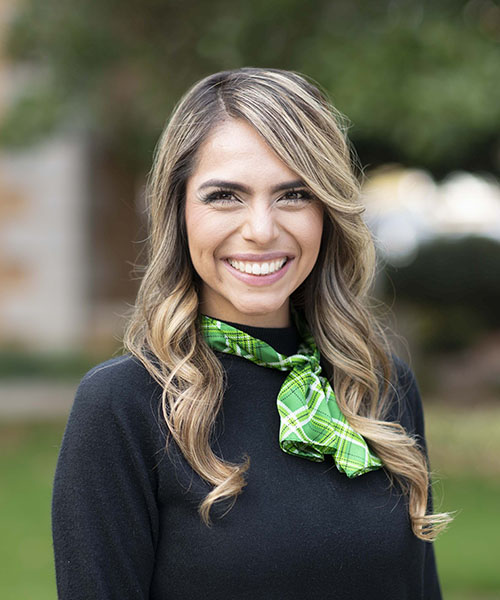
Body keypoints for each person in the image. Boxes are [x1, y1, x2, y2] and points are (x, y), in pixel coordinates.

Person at [52, 67, 451, 599]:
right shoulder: (124, 406)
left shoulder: (379, 386)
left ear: (327, 212)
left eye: (294, 194)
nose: (261, 229)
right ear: (180, 211)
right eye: (225, 196)